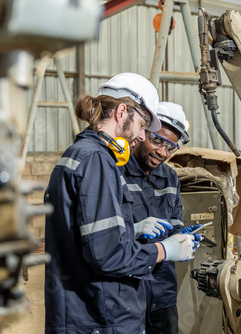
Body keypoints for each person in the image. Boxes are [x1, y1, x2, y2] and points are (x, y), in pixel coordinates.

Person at [44, 73, 198, 334]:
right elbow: (108, 256)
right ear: (122, 111)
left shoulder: (80, 154)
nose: (140, 134)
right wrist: (164, 250)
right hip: (97, 316)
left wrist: (129, 230)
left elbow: (87, 238)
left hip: (85, 312)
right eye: (142, 124)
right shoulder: (97, 161)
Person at [119, 102, 202, 334]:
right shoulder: (115, 171)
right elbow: (103, 237)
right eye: (157, 141)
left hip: (163, 292)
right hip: (126, 293)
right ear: (142, 131)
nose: (163, 153)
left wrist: (182, 237)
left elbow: (175, 222)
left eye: (170, 147)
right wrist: (133, 229)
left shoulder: (169, 177)